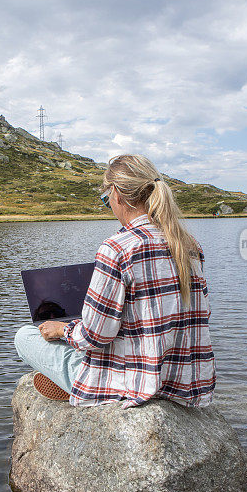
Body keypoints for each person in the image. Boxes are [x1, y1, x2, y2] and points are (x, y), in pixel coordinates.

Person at [14, 154, 215, 409]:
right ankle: (63, 373)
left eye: (106, 199)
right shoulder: (189, 244)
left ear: (117, 195)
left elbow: (95, 335)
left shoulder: (117, 249)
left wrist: (62, 330)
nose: (110, 205)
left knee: (25, 336)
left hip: (135, 383)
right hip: (186, 383)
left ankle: (73, 381)